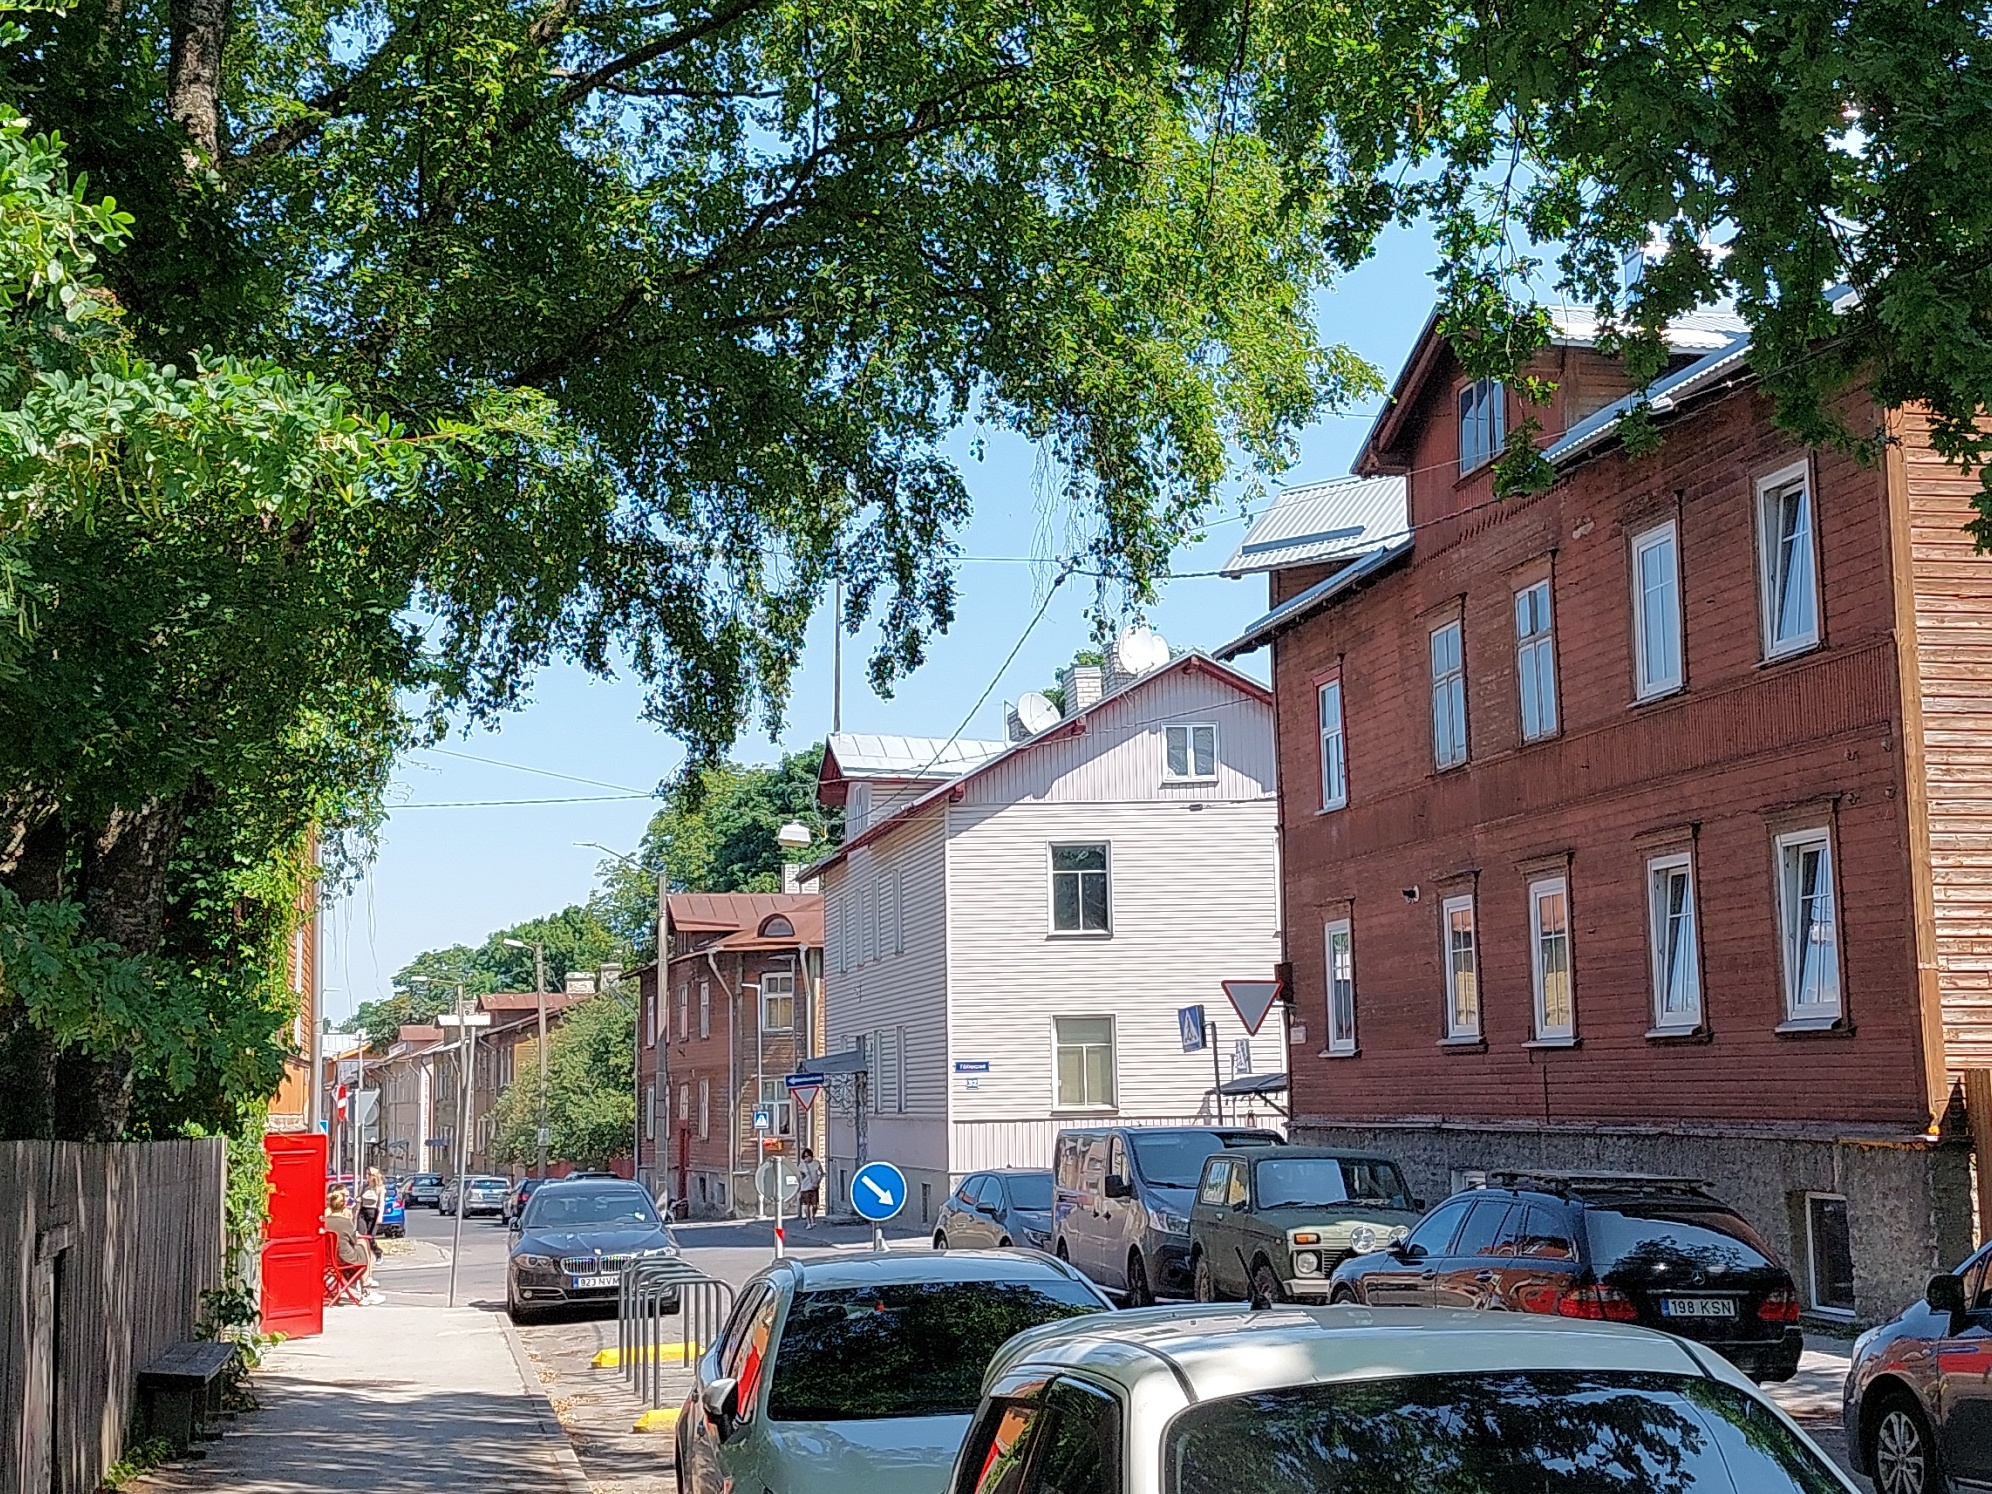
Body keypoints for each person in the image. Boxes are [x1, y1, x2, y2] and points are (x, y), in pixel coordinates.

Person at [325, 1187, 384, 1304]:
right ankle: (365, 1288)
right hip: (344, 1258)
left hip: (328, 1259)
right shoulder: (345, 1222)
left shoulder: (324, 1221)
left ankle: (353, 1285)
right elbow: (353, 1240)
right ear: (342, 1205)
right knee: (362, 1246)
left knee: (361, 1246)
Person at [356, 1167, 386, 1261]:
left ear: (374, 1176)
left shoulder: (379, 1189)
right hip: (363, 1212)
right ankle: (364, 1256)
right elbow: (359, 1198)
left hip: (373, 1213)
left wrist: (380, 1216)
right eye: (366, 1174)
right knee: (361, 1235)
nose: (366, 1176)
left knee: (370, 1237)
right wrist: (358, 1200)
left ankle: (377, 1252)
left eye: (368, 1174)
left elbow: (381, 1203)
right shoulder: (364, 1187)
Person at [796, 1149, 824, 1229]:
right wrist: (802, 1175)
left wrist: (818, 1181)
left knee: (815, 1205)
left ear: (811, 1156)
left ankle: (813, 1217)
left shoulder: (816, 1163)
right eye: (805, 1156)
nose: (806, 1158)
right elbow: (798, 1175)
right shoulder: (802, 1165)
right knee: (807, 1206)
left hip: (814, 1187)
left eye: (808, 1156)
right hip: (805, 1188)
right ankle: (808, 1222)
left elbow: (821, 1173)